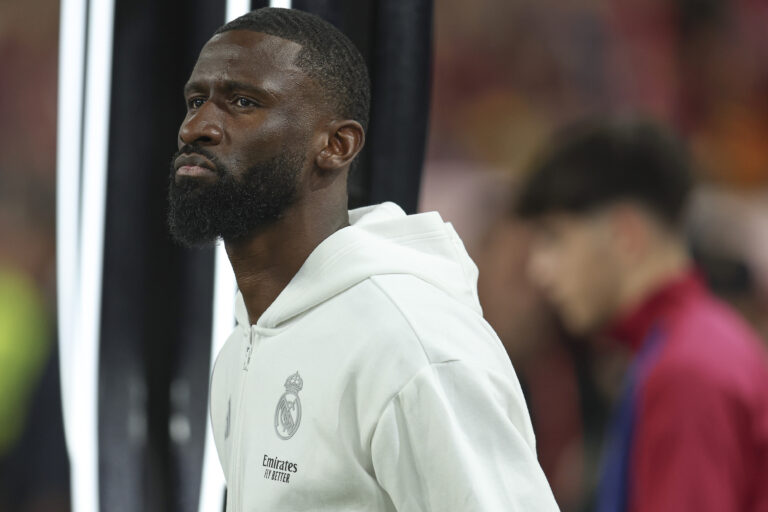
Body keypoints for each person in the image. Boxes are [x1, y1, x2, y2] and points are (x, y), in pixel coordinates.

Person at [167, 7, 558, 511]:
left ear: (336, 145)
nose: (196, 127)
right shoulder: (245, 342)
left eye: (242, 102)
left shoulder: (411, 343)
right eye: (196, 101)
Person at [515, 118, 768, 512]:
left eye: (554, 239)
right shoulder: (697, 342)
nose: (539, 269)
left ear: (625, 234)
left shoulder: (686, 370)